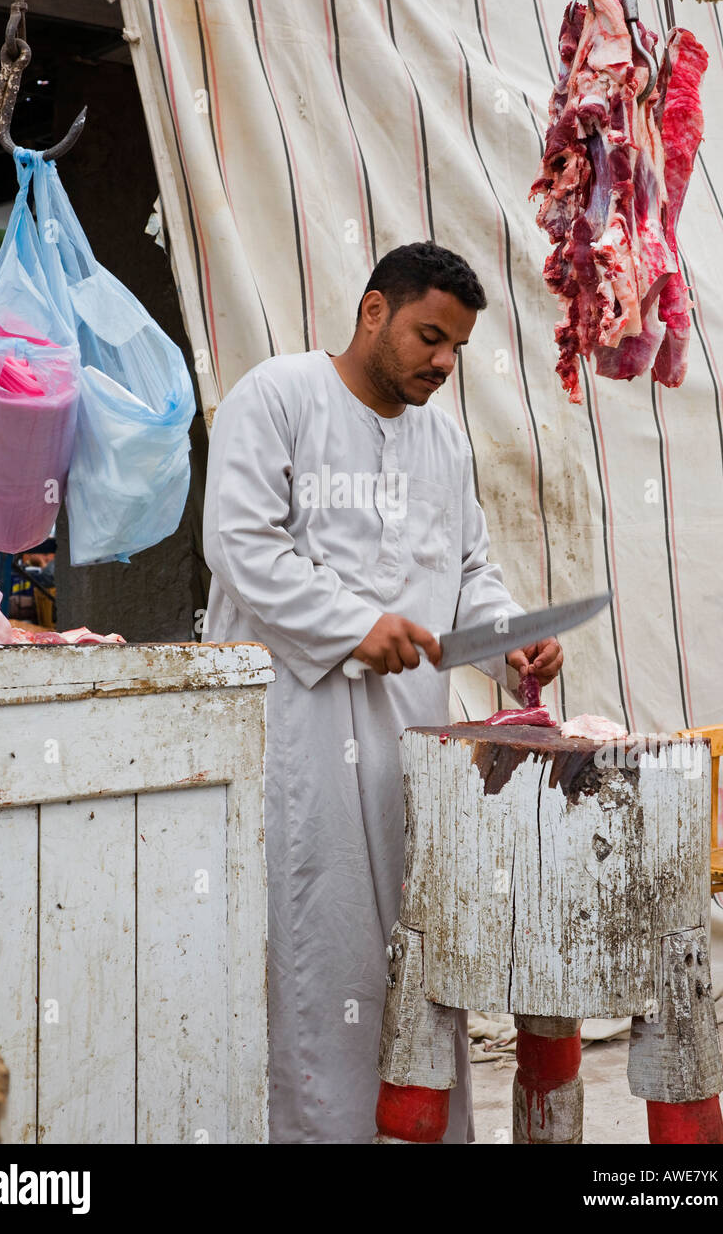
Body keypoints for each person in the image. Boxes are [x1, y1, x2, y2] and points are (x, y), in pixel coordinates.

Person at [202, 241, 563, 1143]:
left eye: (455, 349)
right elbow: (241, 546)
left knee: (412, 947)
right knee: (311, 946)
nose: (442, 364)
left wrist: (512, 634)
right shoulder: (277, 397)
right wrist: (349, 625)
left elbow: (465, 569)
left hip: (412, 741)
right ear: (372, 312)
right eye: (427, 337)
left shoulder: (440, 437)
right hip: (296, 730)